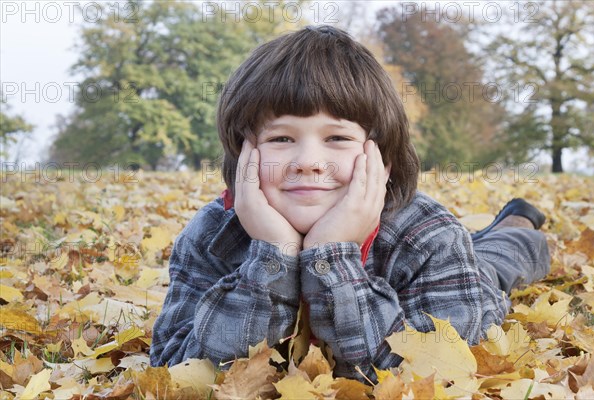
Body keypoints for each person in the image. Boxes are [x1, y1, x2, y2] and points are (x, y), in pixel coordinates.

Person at [150, 25, 550, 381]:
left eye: (337, 138)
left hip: (464, 276)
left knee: (497, 262)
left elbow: (421, 377)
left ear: (383, 158)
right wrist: (273, 258)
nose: (307, 163)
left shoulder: (430, 237)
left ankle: (517, 225)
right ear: (243, 156)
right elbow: (177, 371)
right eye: (281, 139)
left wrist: (331, 258)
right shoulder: (211, 235)